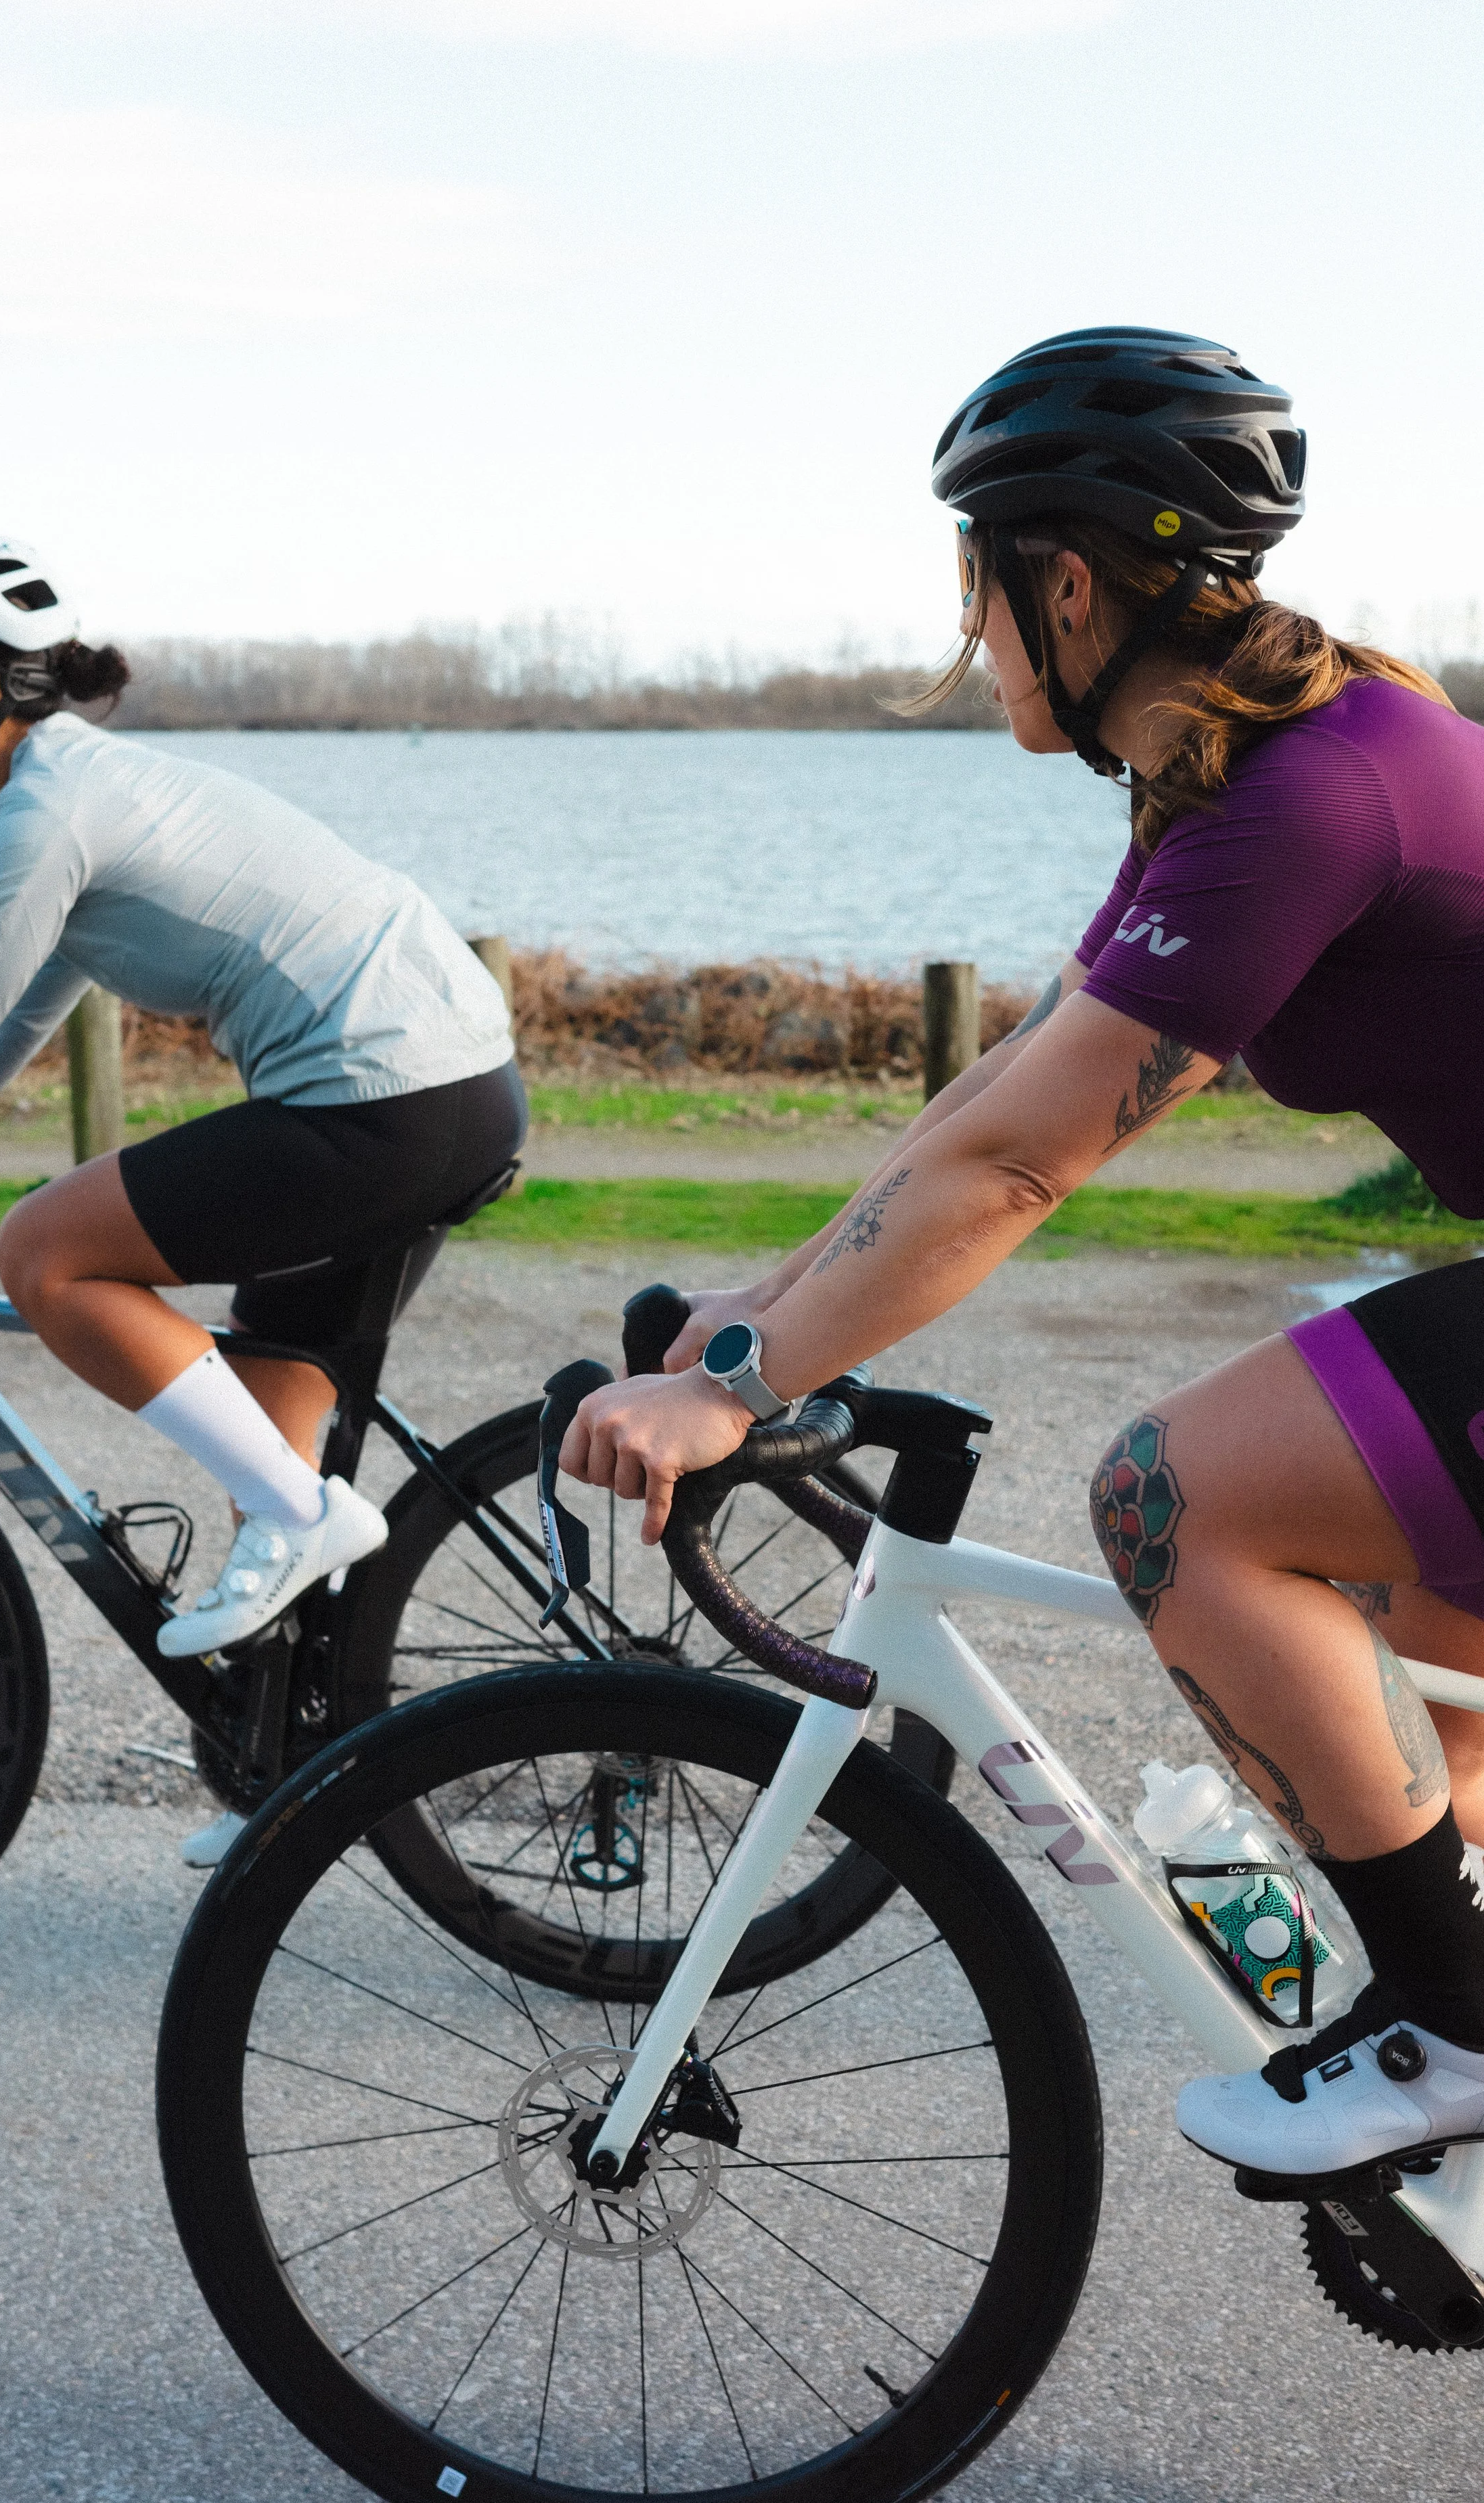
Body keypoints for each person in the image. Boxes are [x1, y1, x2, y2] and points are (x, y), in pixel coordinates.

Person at [562, 327, 1484, 2178]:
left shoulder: (1301, 798)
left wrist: (741, 1388)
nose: (968, 633)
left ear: (1062, 586)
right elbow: (1006, 1085)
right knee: (1431, 1735)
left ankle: (1455, 2037)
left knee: (1170, 1496)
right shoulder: (1239, 770)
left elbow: (1016, 1170)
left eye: (971, 586)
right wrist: (758, 1312)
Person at [0, 533, 524, 1857]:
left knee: (45, 1253)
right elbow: (12, 1017)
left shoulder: (47, 816)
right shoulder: (79, 794)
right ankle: (285, 1791)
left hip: (384, 1101)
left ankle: (309, 1515)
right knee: (263, 1426)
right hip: (444, 1090)